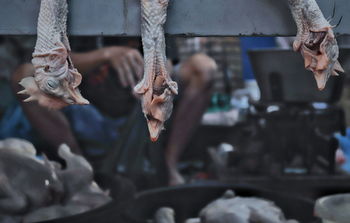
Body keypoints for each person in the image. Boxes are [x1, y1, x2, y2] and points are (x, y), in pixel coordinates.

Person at [9, 37, 217, 185]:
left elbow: (169, 60)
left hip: (144, 117)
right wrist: (105, 55)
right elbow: (47, 61)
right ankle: (79, 168)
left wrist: (157, 79)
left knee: (204, 67)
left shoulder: (150, 0)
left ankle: (169, 167)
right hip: (88, 115)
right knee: (25, 77)